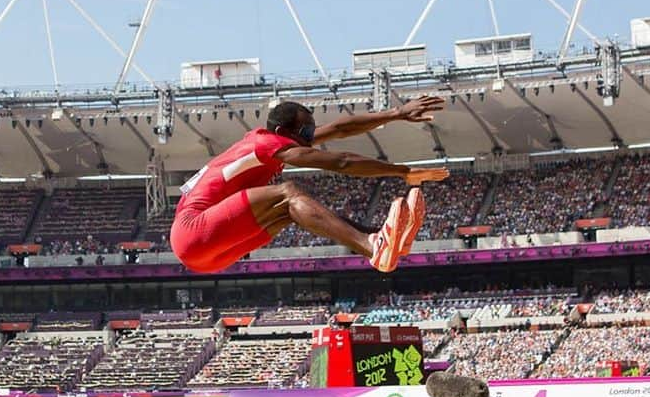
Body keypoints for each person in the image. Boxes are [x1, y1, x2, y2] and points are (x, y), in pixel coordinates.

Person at [170, 96, 449, 274]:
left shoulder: (276, 142)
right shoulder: (266, 144)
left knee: (294, 212)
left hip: (207, 258)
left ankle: (381, 238)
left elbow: (340, 129)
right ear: (283, 133)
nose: (311, 137)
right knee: (289, 193)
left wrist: (397, 113)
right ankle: (372, 245)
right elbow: (340, 162)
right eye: (306, 132)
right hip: (192, 231)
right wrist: (402, 172)